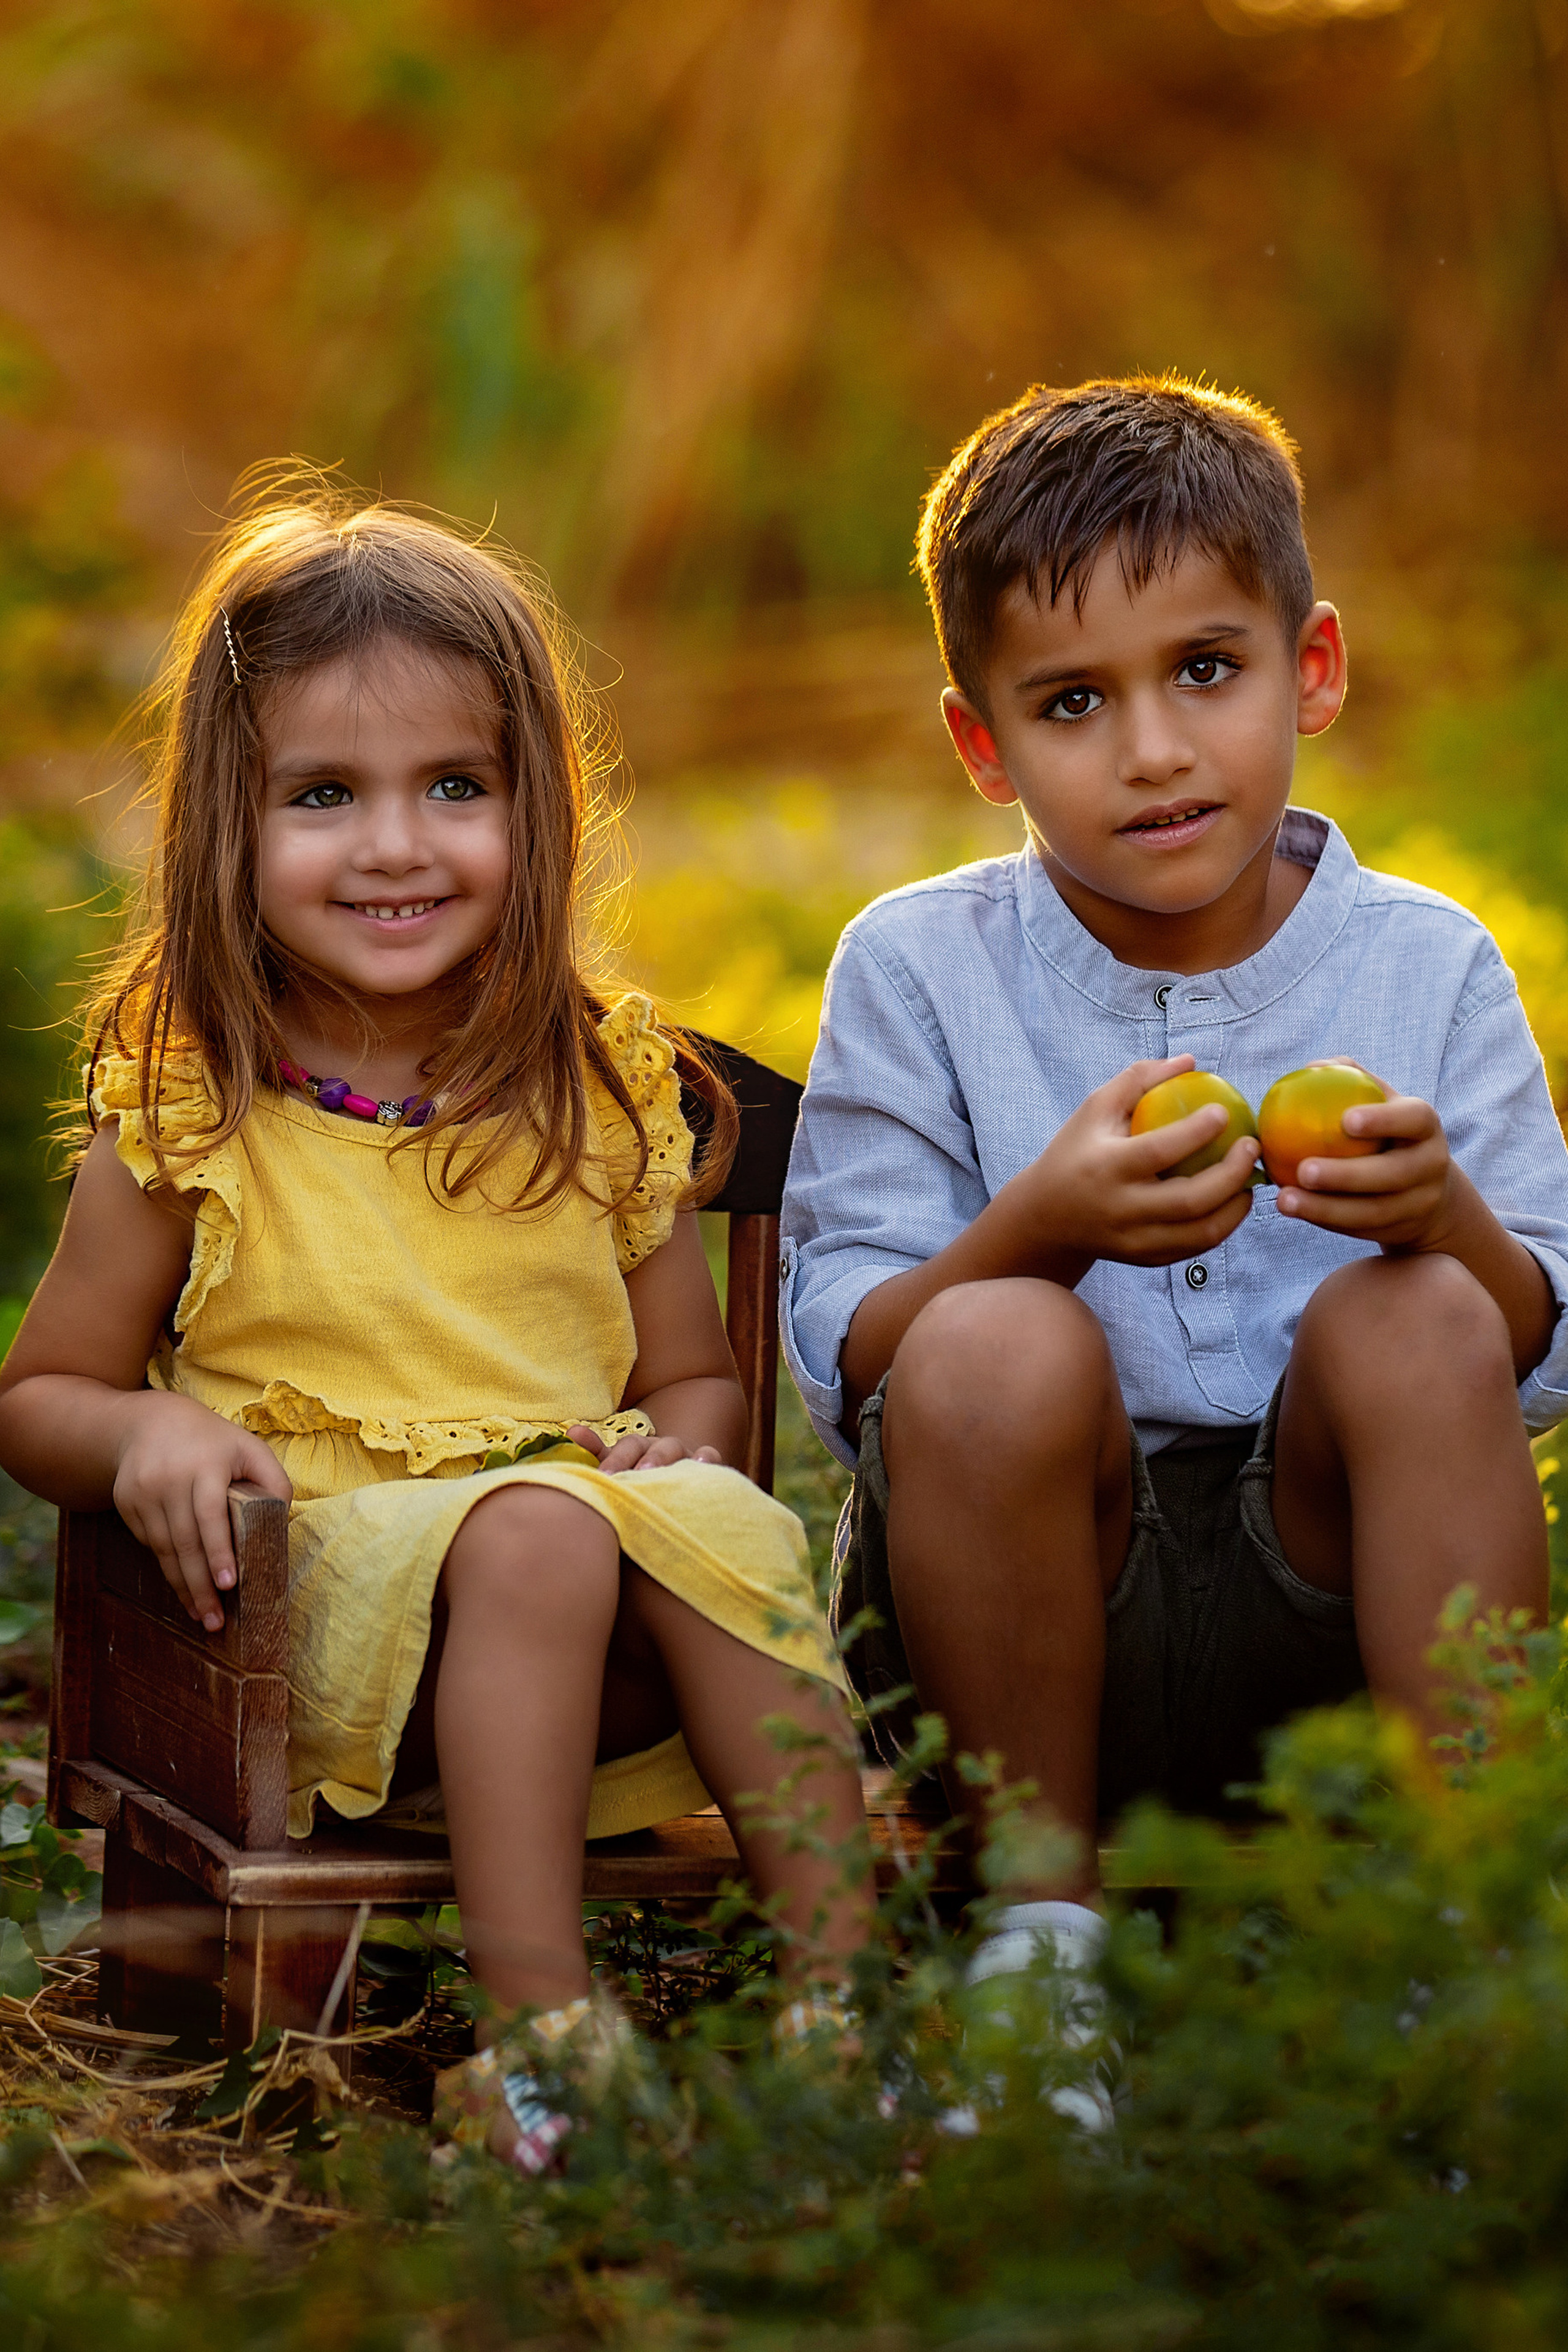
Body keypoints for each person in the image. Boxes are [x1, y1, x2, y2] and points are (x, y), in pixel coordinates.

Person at [0, 478, 869, 2173]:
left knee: (714, 1519)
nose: (396, 845)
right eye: (326, 795)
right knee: (543, 1536)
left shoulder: (596, 1091)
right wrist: (150, 1427)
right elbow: (39, 1392)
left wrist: (668, 1448)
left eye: (453, 787)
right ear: (223, 833)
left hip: (600, 1632)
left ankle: (842, 2007)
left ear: (532, 811)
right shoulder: (195, 1116)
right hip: (310, 1631)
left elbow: (691, 1373)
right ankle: (547, 2035)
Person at [780, 374, 1568, 2009]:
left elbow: (1537, 1352)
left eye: (1206, 671)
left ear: (1315, 669)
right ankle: (1034, 1966)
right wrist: (1035, 1232)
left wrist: (1452, 1228)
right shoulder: (921, 969)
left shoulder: (1425, 964)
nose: (1152, 752)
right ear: (982, 748)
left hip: (1338, 1613)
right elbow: (855, 1363)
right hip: (1016, 1617)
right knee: (993, 1342)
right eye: (1072, 705)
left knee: (1425, 1317)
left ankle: (1465, 1939)